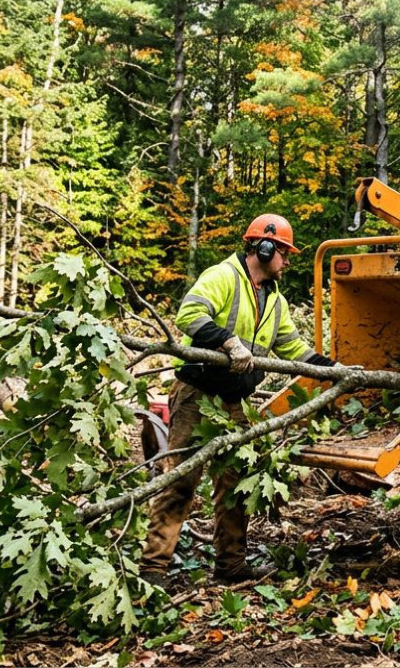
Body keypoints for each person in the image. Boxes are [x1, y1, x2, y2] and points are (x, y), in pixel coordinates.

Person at [141, 213, 336, 585]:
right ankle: (154, 570)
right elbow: (188, 313)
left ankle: (230, 565)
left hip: (236, 403)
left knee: (236, 485)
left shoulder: (274, 300)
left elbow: (294, 348)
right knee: (181, 480)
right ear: (263, 247)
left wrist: (334, 370)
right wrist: (227, 342)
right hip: (198, 395)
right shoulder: (223, 276)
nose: (287, 261)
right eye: (283, 252)